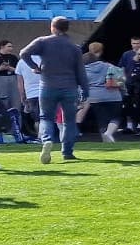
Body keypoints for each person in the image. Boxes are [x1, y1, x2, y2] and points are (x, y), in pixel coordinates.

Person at [19, 15, 90, 164]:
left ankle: (46, 140)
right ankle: (67, 152)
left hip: (47, 86)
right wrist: (85, 90)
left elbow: (23, 53)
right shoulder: (75, 48)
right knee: (69, 121)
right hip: (69, 87)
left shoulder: (43, 41)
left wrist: (35, 67)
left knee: (46, 117)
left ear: (53, 27)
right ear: (67, 28)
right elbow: (80, 71)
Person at [80, 40, 122, 144]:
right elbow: (120, 74)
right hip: (113, 96)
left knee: (101, 120)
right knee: (115, 117)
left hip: (94, 97)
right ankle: (109, 133)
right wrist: (120, 84)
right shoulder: (108, 66)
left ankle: (105, 140)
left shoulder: (82, 70)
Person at [0, 39, 26, 142]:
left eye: (11, 47)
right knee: (2, 105)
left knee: (15, 105)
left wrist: (10, 68)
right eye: (9, 46)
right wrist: (0, 69)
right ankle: (1, 131)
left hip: (13, 80)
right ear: (2, 47)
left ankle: (16, 131)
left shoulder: (13, 58)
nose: (11, 49)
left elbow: (19, 70)